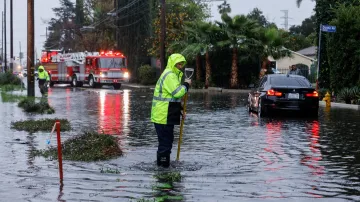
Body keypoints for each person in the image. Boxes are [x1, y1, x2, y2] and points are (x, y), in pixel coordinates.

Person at [151, 53, 191, 168]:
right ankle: (163, 170)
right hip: (163, 116)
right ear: (173, 64)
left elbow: (172, 98)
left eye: (181, 64)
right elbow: (178, 92)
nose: (180, 66)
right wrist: (186, 85)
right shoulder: (169, 75)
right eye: (178, 64)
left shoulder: (172, 75)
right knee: (165, 144)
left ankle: (163, 165)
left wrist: (180, 110)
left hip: (166, 114)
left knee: (167, 142)